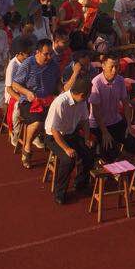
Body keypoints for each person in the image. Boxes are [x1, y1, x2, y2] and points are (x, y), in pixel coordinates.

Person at [43, 76, 95, 204]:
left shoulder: (81, 102)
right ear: (82, 95)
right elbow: (54, 130)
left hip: (71, 134)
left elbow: (85, 121)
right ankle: (59, 192)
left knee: (89, 152)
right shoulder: (61, 102)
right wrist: (66, 149)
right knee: (68, 159)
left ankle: (81, 184)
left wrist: (87, 138)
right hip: (54, 137)